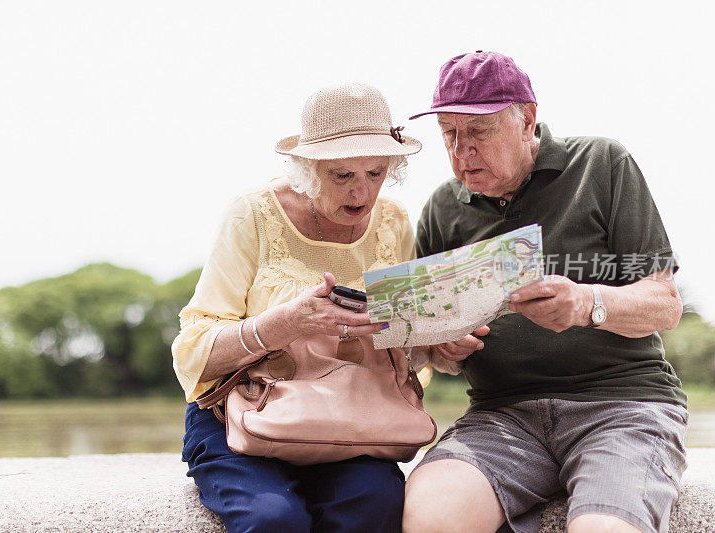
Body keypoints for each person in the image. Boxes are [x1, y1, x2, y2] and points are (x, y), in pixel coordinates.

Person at [402, 51, 686, 533]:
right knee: (430, 517)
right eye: (448, 134)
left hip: (623, 407)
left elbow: (665, 304)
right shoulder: (441, 210)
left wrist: (586, 304)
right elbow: (433, 357)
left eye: (478, 132)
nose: (461, 152)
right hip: (501, 417)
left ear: (527, 120)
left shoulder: (602, 163)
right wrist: (442, 349)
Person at [171, 82, 425, 532]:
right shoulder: (252, 214)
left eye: (376, 172)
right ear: (307, 169)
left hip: (354, 417)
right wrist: (286, 322)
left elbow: (403, 351)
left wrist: (439, 338)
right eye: (343, 175)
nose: (362, 193)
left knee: (378, 504)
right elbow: (192, 353)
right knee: (273, 519)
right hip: (243, 411)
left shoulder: (394, 221)